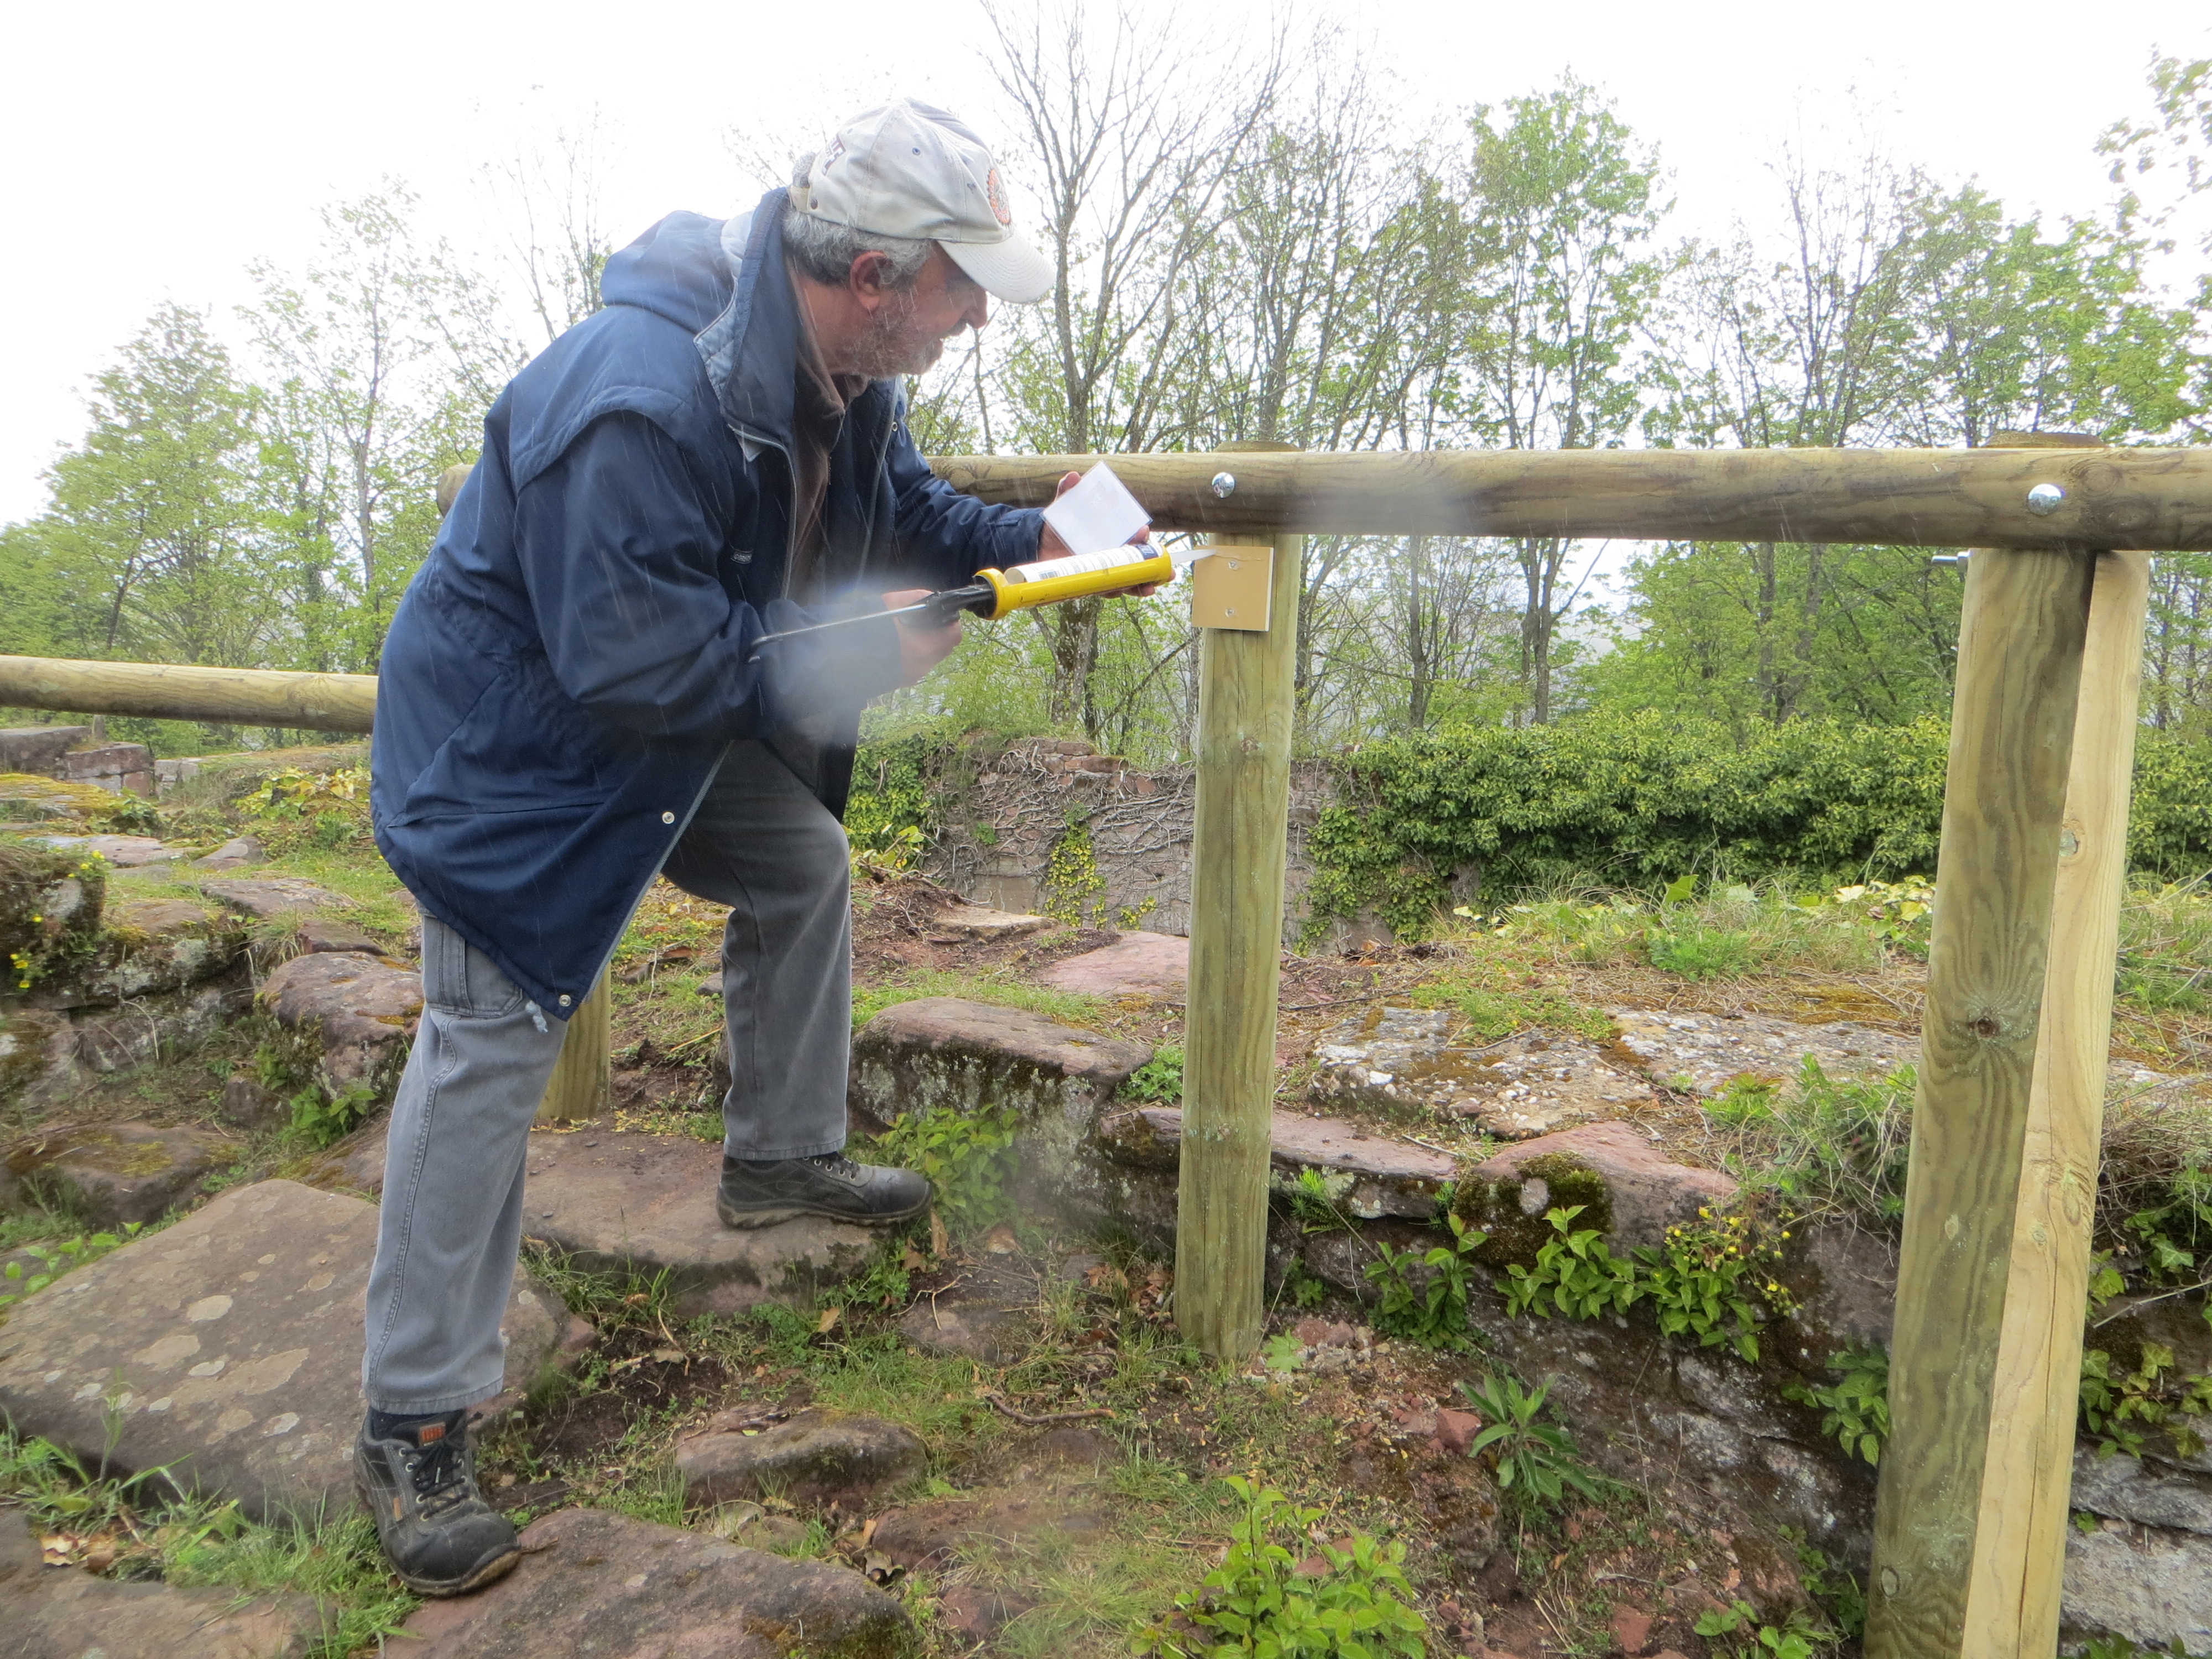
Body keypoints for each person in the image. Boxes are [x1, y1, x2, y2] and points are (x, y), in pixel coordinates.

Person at [354, 99, 1105, 1597]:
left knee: (801, 865)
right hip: (514, 762)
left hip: (660, 730)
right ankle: (411, 1421)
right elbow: (636, 660)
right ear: (877, 274)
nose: (976, 317)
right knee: (490, 1041)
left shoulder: (848, 371)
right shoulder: (637, 399)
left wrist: (1045, 542)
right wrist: (858, 652)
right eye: (962, 285)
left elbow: (903, 509)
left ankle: (780, 1157)